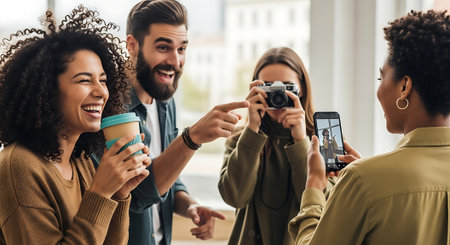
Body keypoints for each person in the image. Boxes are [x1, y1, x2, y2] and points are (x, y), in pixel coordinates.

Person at [92, 1, 249, 244]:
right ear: (132, 45)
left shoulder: (164, 100)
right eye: (164, 47)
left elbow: (167, 175)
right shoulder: (109, 108)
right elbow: (136, 193)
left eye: (182, 49)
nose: (175, 61)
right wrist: (192, 138)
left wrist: (189, 205)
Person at [289, 10, 450, 244]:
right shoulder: (363, 179)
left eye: (381, 78)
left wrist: (314, 185)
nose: (378, 89)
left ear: (404, 86)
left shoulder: (362, 180)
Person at [0, 6, 152, 245]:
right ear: (47, 90)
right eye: (84, 80)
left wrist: (119, 194)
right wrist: (101, 193)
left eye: (103, 80)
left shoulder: (79, 159)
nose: (101, 92)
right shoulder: (18, 166)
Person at [218, 47, 317, 245]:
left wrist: (300, 140)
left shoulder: (322, 138)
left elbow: (322, 206)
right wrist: (252, 128)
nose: (278, 96)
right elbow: (234, 197)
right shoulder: (241, 139)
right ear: (255, 90)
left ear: (302, 89)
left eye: (287, 87)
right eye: (270, 87)